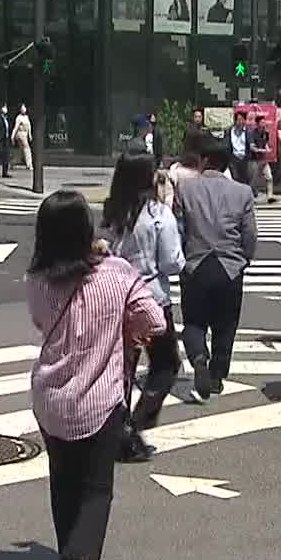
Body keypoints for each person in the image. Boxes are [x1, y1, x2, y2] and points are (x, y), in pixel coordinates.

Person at [26, 190, 164, 560]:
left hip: (50, 397)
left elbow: (41, 322)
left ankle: (69, 554)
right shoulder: (116, 274)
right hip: (100, 398)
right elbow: (154, 322)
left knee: (62, 480)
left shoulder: (38, 281)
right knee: (96, 487)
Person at [101, 152, 178, 457]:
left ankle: (117, 429)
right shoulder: (158, 213)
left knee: (124, 369)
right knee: (166, 363)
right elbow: (171, 261)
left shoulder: (113, 211)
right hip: (151, 298)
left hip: (117, 297)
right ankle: (135, 424)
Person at [173, 141, 257, 402]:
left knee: (194, 322)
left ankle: (198, 356)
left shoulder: (186, 189)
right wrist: (245, 258)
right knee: (226, 324)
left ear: (204, 160)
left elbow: (178, 228)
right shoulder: (242, 192)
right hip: (229, 266)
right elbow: (250, 234)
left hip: (196, 263)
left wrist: (181, 260)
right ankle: (217, 374)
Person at [13, 104, 34, 172]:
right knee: (27, 149)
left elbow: (29, 127)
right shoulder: (19, 117)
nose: (24, 108)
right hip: (20, 134)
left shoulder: (26, 117)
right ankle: (29, 164)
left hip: (25, 134)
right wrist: (12, 136)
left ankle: (13, 162)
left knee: (21, 150)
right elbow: (16, 127)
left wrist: (30, 135)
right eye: (22, 107)